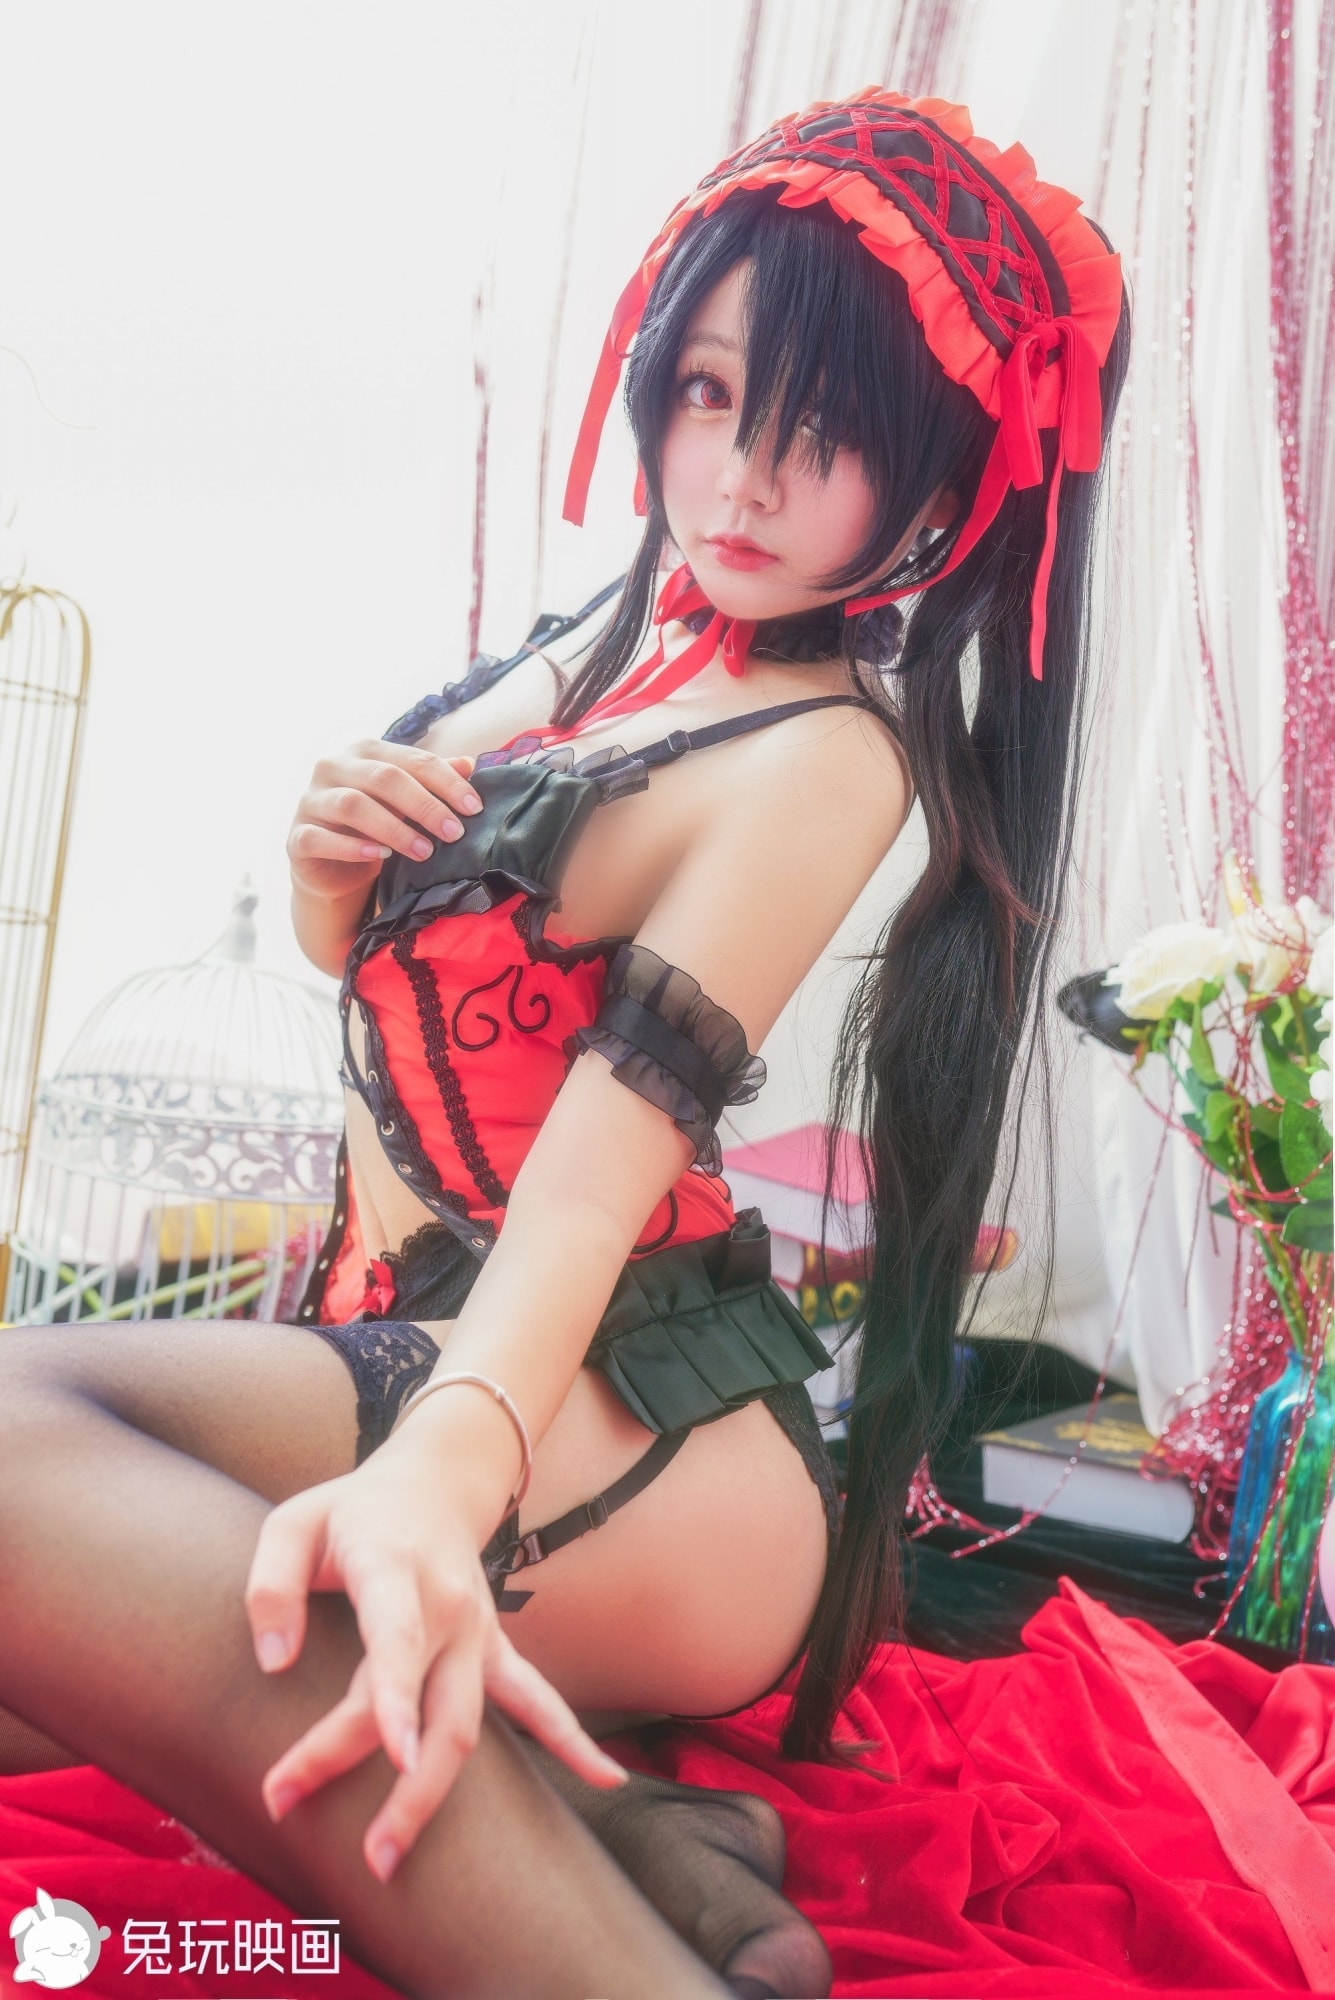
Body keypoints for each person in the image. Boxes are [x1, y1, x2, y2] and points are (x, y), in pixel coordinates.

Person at [0, 90, 1129, 1999]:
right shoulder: (603, 647)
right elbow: (388, 974)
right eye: (708, 393)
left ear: (941, 474)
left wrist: (446, 1465)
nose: (741, 480)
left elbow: (602, 1171)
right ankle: (647, 1838)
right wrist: (322, 867)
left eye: (826, 433)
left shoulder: (828, 753)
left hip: (629, 1415)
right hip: (420, 1333)